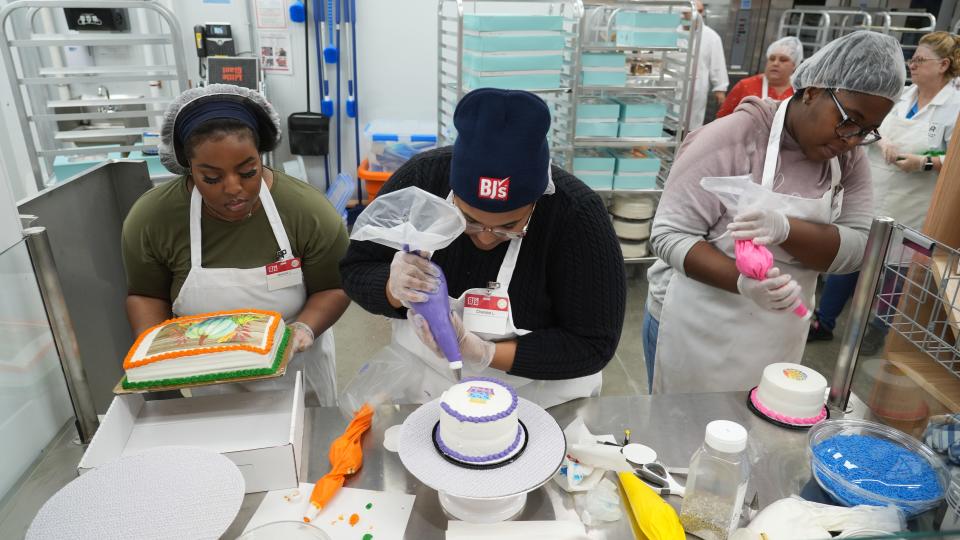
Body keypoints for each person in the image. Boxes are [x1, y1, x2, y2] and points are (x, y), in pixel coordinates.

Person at [642, 31, 906, 394]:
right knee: (681, 435)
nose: (851, 140)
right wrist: (741, 282)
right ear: (812, 91)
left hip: (779, 333)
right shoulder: (732, 137)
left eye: (866, 131)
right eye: (849, 120)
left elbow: (857, 248)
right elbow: (669, 235)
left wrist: (785, 229)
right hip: (699, 325)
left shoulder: (848, 159)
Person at [340, 88, 626, 409]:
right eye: (468, 220)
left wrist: (483, 352)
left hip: (537, 397)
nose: (487, 238)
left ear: (537, 198)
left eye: (509, 226)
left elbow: (593, 343)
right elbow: (355, 269)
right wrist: (392, 289)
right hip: (428, 388)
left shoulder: (577, 216)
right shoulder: (421, 180)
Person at [121, 84, 350, 405]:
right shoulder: (153, 219)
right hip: (205, 381)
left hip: (295, 377)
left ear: (261, 157)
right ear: (189, 166)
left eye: (248, 172)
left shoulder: (307, 212)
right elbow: (146, 295)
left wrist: (303, 330)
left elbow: (334, 288)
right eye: (211, 178)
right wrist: (158, 363)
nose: (233, 189)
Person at [809, 32, 960, 350]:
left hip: (915, 201)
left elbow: (956, 158)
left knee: (897, 270)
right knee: (851, 258)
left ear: (943, 65)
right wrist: (883, 140)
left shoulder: (954, 107)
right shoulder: (901, 96)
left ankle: (878, 328)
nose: (912, 65)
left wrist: (925, 162)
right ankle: (825, 320)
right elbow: (870, 124)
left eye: (920, 60)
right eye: (913, 59)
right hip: (876, 188)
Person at [717, 36, 804, 118]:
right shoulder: (745, 85)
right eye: (772, 59)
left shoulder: (799, 94)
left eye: (783, 60)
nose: (775, 63)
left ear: (794, 65)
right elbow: (722, 117)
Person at [686, 0, 729, 131]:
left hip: (696, 89)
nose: (696, 15)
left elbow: (718, 63)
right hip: (672, 88)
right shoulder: (673, 32)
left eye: (699, 11)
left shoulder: (711, 36)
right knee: (667, 126)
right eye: (692, 12)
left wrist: (720, 88)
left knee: (691, 126)